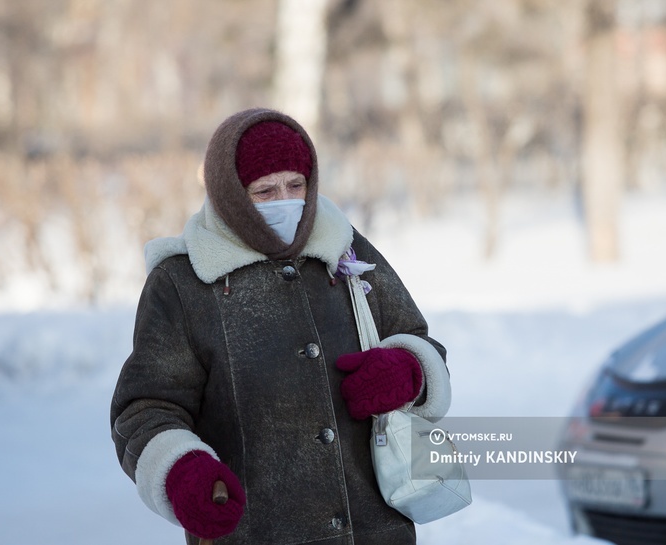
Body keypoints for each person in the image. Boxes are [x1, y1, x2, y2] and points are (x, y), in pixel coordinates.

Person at [110, 108, 451, 545]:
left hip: (375, 531)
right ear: (230, 194)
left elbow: (419, 341)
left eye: (296, 185)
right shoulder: (184, 282)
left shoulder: (344, 250)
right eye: (264, 191)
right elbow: (145, 409)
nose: (285, 202)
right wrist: (181, 471)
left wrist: (409, 370)